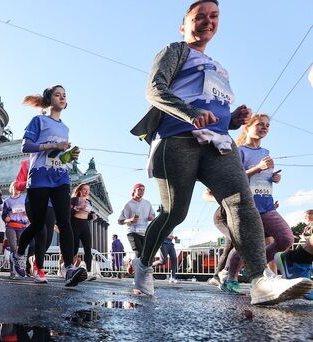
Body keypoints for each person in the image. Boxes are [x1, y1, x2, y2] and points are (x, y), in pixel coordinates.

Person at [129, 0, 313, 304]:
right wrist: (189, 113)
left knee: (242, 202)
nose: (208, 21)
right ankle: (144, 264)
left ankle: (259, 280)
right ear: (184, 24)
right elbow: (155, 90)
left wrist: (232, 119)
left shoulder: (220, 67)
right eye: (199, 16)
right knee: (175, 212)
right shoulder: (175, 50)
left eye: (214, 16)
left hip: (218, 143)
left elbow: (211, 108)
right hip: (177, 138)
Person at [10, 85, 87, 287]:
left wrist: (70, 155)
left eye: (64, 95)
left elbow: (60, 158)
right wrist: (52, 145)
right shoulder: (39, 120)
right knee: (37, 225)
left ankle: (69, 268)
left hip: (60, 177)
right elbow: (26, 146)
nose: (62, 98)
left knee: (65, 222)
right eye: (57, 95)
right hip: (39, 177)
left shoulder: (65, 128)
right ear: (49, 99)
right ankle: (18, 254)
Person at [220, 113, 294, 294]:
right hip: (247, 206)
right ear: (247, 127)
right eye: (260, 124)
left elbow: (265, 177)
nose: (264, 128)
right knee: (245, 245)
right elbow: (234, 178)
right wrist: (257, 168)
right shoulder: (240, 151)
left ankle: (252, 264)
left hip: (267, 205)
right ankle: (230, 279)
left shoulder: (266, 153)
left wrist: (275, 177)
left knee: (286, 238)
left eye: (267, 126)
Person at [118, 184, 155, 261]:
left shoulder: (147, 203)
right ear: (134, 191)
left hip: (144, 232)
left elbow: (152, 215)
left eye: (143, 190)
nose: (142, 192)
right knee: (139, 253)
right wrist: (130, 220)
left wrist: (151, 217)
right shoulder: (129, 204)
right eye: (139, 190)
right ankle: (140, 272)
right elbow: (120, 221)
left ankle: (131, 264)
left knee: (146, 255)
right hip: (132, 232)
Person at [3, 181, 30, 280]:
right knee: (13, 248)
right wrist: (5, 218)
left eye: (18, 187)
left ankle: (21, 267)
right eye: (15, 186)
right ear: (12, 188)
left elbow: (29, 212)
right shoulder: (7, 201)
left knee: (21, 249)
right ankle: (12, 272)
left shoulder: (25, 199)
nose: (16, 188)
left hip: (22, 227)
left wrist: (27, 212)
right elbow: (4, 214)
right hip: (11, 226)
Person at [71, 183, 98, 281]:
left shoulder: (89, 202)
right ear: (80, 190)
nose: (86, 191)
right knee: (74, 249)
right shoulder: (74, 200)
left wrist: (93, 216)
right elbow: (69, 213)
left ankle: (89, 272)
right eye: (84, 189)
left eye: (88, 189)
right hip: (75, 225)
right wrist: (78, 208)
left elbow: (89, 214)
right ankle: (70, 269)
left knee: (88, 249)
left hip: (85, 226)